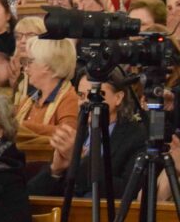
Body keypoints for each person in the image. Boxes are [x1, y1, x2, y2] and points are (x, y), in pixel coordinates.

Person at [28, 69, 144, 197]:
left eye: (94, 96)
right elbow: (31, 194)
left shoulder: (136, 137)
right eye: (81, 96)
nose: (86, 102)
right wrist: (56, 169)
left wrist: (79, 159)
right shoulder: (77, 134)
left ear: (118, 98)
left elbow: (126, 191)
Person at [16, 39, 80, 139]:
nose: (26, 68)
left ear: (46, 65)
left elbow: (68, 134)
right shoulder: (30, 99)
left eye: (30, 62)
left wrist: (22, 126)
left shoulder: (69, 98)